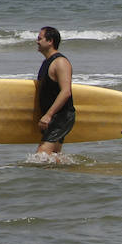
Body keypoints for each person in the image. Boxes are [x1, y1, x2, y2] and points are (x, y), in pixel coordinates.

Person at [34, 26, 75, 160]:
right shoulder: (46, 62)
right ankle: (67, 173)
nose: (37, 41)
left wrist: (48, 115)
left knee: (41, 156)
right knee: (54, 156)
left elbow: (66, 92)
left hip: (61, 116)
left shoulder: (60, 62)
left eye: (40, 38)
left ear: (50, 41)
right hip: (54, 116)